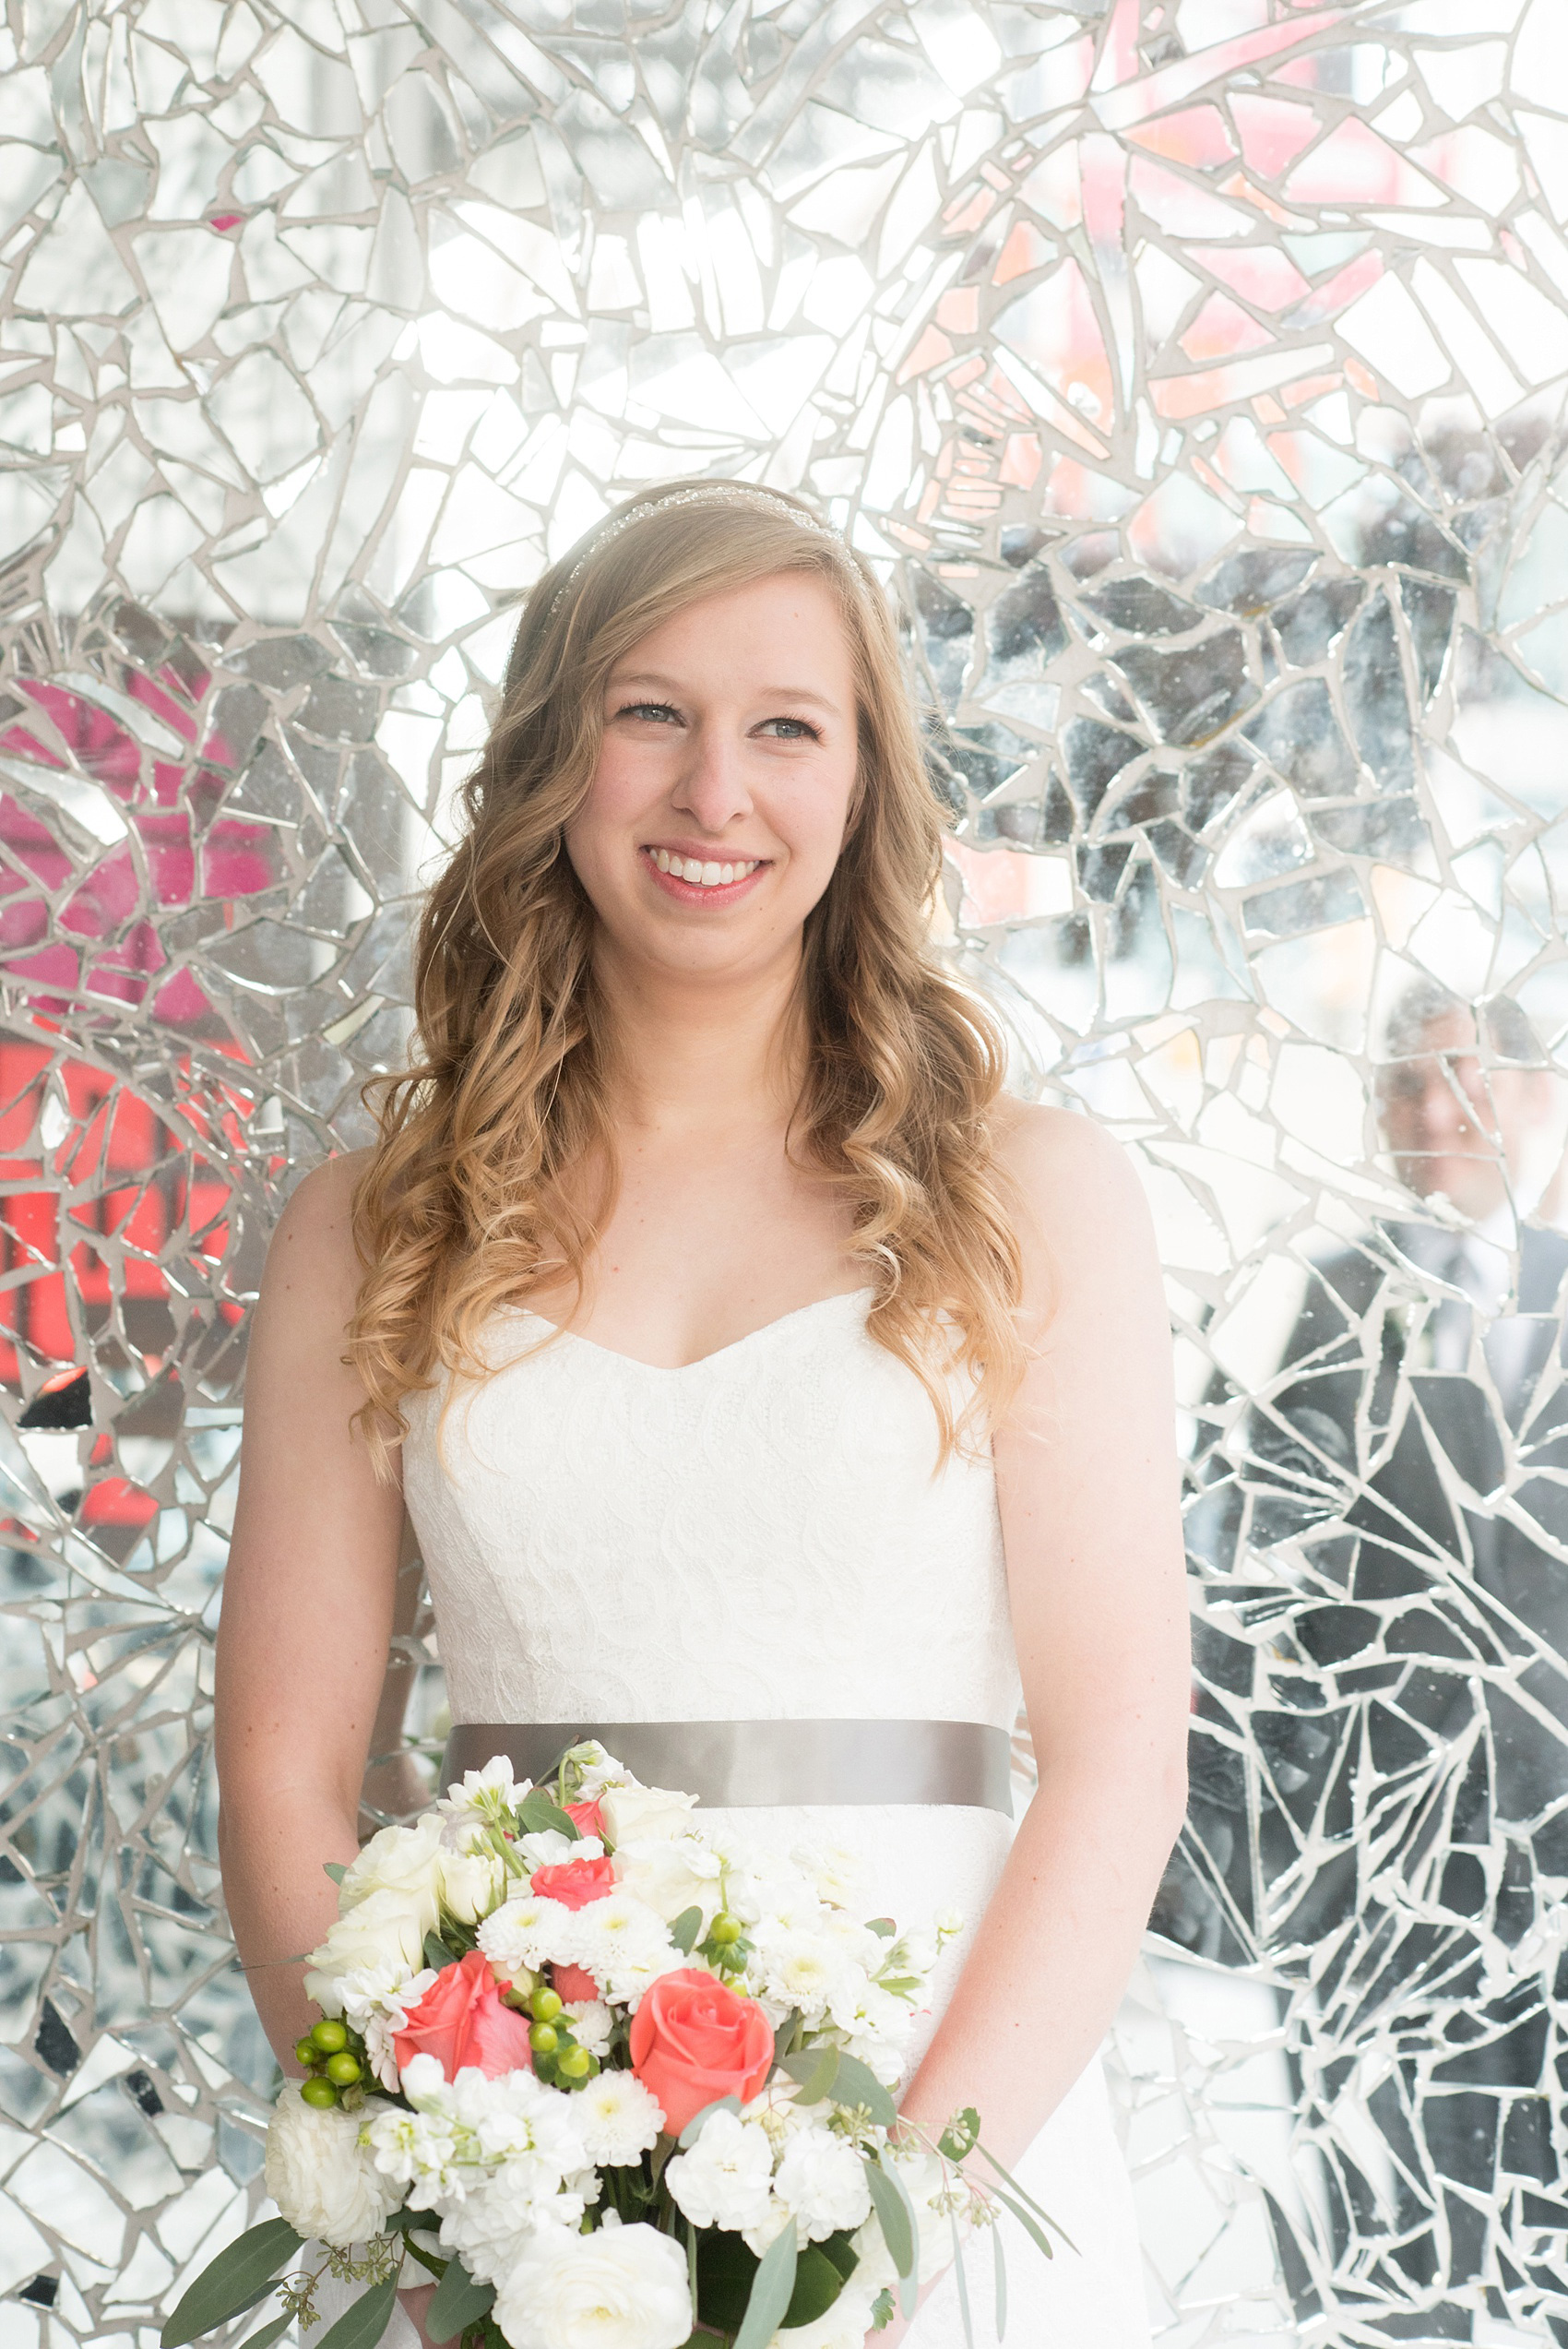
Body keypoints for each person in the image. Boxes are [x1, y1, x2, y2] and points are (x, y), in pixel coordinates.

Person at [214, 481, 1190, 2347]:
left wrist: (905, 2215)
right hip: (497, 2152)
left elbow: (1119, 1753)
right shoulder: (376, 1217)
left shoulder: (1031, 1193)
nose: (712, 792)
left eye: (784, 728)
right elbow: (281, 1759)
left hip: (943, 2121)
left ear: (864, 781)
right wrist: (422, 2173)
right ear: (549, 754)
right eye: (647, 712)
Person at [1249, 981, 1568, 2326]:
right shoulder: (1329, 1302)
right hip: (1379, 1866)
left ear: (1537, 1090)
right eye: (1400, 1085)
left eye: (1462, 1077)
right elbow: (1250, 1549)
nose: (1430, 1110)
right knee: (1388, 2231)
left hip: (1558, 1853)